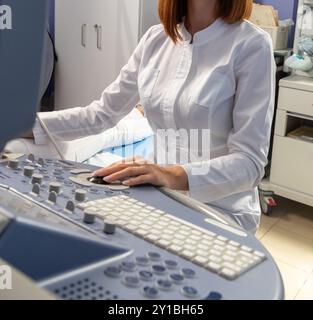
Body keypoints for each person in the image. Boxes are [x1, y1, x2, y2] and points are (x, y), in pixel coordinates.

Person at [31, 0, 275, 233]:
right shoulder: (155, 40)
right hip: (161, 198)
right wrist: (23, 123)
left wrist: (169, 174)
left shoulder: (251, 46)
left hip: (221, 210)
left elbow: (249, 163)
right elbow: (102, 113)